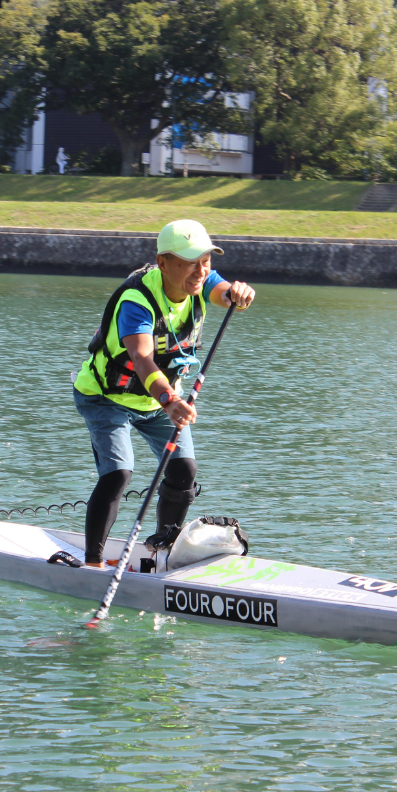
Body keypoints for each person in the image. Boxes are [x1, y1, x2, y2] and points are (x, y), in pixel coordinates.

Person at [72, 219, 256, 568]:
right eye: (190, 262)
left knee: (184, 469)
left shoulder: (200, 282)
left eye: (206, 260)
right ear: (163, 263)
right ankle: (93, 563)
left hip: (156, 401)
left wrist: (239, 295)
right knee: (118, 472)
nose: (200, 270)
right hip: (106, 397)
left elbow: (224, 291)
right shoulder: (137, 301)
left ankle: (163, 549)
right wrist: (171, 401)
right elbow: (141, 359)